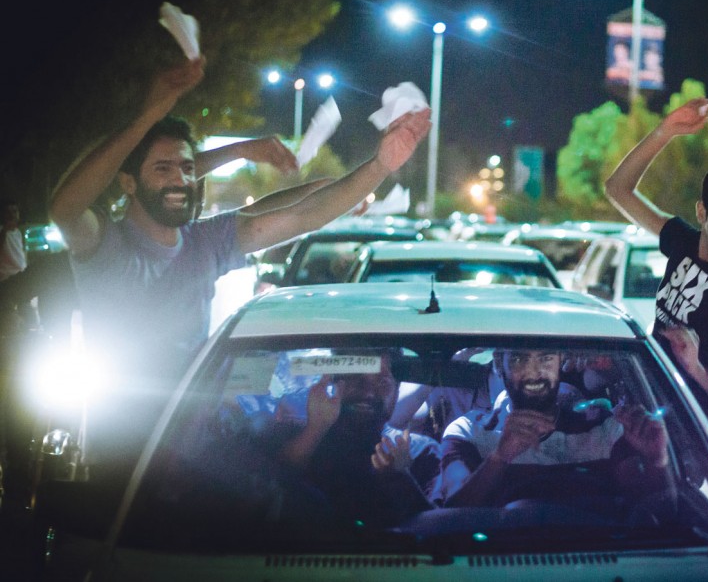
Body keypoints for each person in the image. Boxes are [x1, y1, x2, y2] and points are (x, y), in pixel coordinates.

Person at [48, 56, 429, 481]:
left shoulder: (206, 240)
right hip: (118, 456)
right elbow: (64, 206)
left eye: (188, 169)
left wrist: (379, 165)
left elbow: (303, 215)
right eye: (162, 169)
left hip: (195, 449)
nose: (180, 180)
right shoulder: (103, 242)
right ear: (128, 182)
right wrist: (150, 114)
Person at [605, 98, 708, 426]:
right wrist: (665, 132)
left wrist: (698, 370)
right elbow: (617, 189)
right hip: (638, 404)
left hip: (683, 438)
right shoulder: (683, 241)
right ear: (701, 212)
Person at [437, 348, 671, 509]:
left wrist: (656, 460)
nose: (534, 372)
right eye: (519, 359)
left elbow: (650, 508)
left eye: (546, 358)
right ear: (499, 365)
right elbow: (453, 511)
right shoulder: (468, 431)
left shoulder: (603, 428)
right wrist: (499, 457)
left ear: (560, 363)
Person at [277, 353, 440, 523]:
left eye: (382, 382)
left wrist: (399, 478)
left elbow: (442, 529)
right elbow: (270, 489)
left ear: (397, 391)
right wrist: (314, 430)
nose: (368, 393)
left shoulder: (421, 451)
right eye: (356, 379)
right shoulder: (304, 437)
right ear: (335, 383)